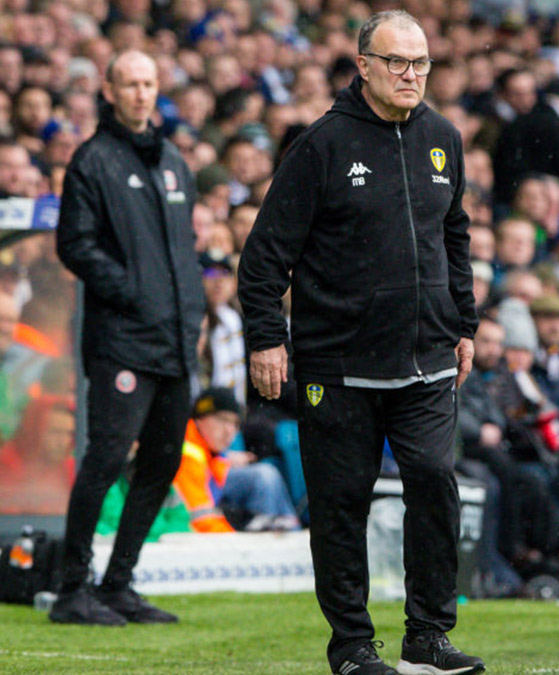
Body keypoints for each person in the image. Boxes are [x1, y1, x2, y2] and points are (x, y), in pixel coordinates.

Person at [237, 11, 484, 675]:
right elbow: (264, 257)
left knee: (434, 483)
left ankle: (428, 638)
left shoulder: (443, 139)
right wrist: (266, 338)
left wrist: (465, 321)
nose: (411, 75)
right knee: (341, 506)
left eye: (422, 63)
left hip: (428, 357)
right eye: (397, 62)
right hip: (338, 363)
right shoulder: (321, 145)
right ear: (364, 65)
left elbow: (454, 236)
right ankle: (350, 645)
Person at [51, 50, 204, 627]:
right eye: (129, 84)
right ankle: (72, 590)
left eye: (148, 83)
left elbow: (183, 250)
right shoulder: (92, 160)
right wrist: (134, 291)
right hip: (121, 337)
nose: (140, 93)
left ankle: (118, 584)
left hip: (174, 339)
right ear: (110, 91)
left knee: (161, 463)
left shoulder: (172, 161)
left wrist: (188, 312)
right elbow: (75, 244)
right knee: (106, 458)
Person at [172, 387, 300, 533]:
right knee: (263, 476)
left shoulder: (211, 451)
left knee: (267, 474)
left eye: (235, 424)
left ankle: (287, 530)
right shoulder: (189, 455)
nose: (229, 431)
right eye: (222, 420)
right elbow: (202, 520)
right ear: (200, 418)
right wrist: (237, 544)